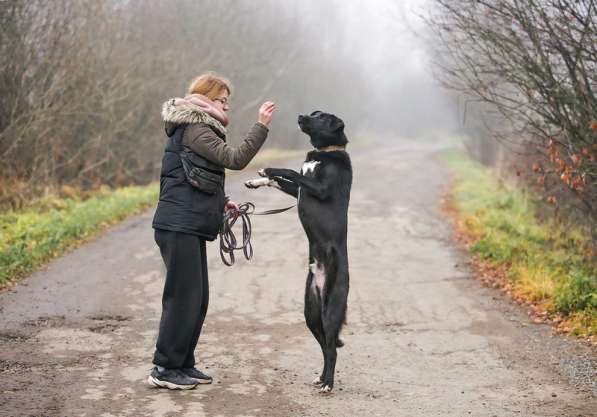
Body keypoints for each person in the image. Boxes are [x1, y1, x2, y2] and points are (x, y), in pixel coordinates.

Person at [148, 72, 276, 389]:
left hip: (187, 224)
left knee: (197, 298)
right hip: (178, 226)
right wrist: (261, 126)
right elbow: (235, 159)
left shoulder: (199, 130)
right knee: (182, 299)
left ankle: (182, 364)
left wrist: (224, 202)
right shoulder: (195, 129)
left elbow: (195, 176)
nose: (227, 106)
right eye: (222, 100)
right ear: (205, 98)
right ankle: (164, 369)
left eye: (227, 101)